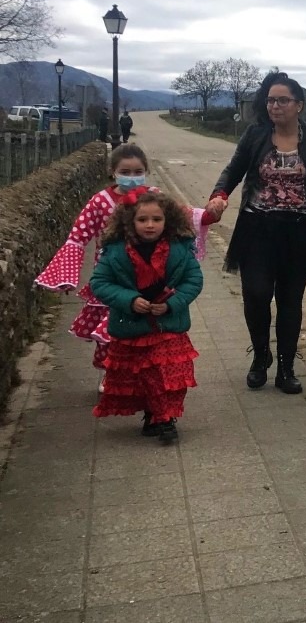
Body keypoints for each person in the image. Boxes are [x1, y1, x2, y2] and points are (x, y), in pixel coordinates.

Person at [205, 72, 306, 394]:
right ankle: (261, 356)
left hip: (302, 231)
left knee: (290, 301)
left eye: (282, 100)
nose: (274, 106)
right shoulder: (255, 135)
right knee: (256, 294)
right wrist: (219, 195)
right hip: (257, 230)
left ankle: (286, 368)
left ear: (299, 105)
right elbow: (233, 170)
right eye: (270, 100)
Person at [35, 144, 215, 376]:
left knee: (146, 327)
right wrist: (65, 275)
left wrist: (208, 216)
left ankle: (144, 371)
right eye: (126, 172)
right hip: (114, 273)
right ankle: (112, 373)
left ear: (146, 171)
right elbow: (78, 236)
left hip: (151, 272)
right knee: (111, 328)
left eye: (138, 172)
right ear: (112, 171)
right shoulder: (99, 202)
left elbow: (181, 215)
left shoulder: (155, 196)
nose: (132, 177)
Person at [90, 188, 203, 444]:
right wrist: (129, 300)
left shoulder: (180, 248)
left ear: (168, 220)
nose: (150, 225)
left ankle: (164, 418)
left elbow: (193, 280)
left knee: (169, 371)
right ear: (130, 222)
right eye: (142, 220)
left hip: (168, 324)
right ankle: (154, 415)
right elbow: (100, 283)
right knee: (142, 375)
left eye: (157, 219)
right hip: (132, 324)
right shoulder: (116, 252)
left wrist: (173, 303)